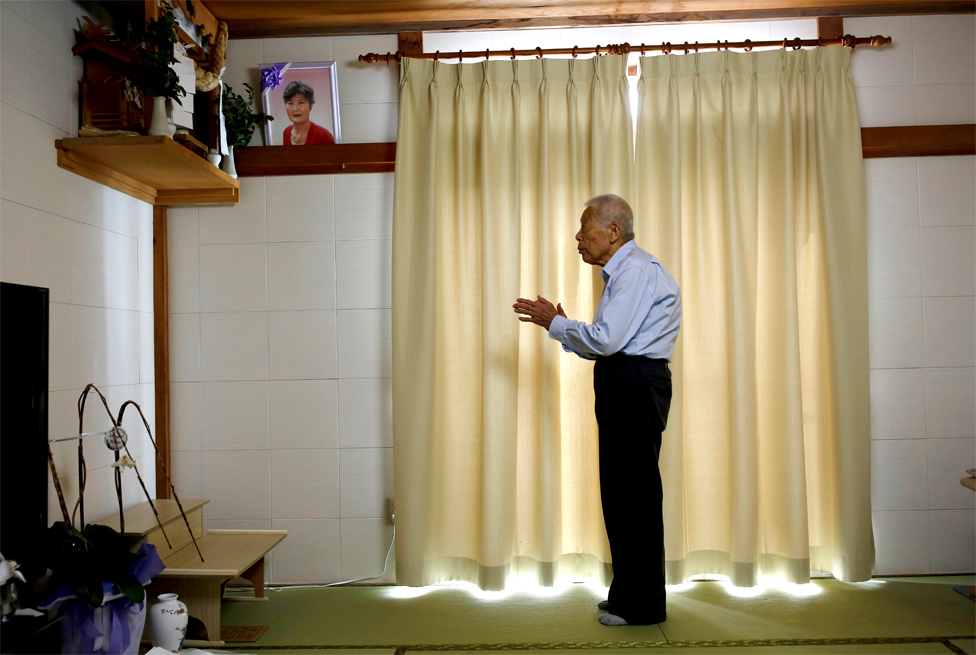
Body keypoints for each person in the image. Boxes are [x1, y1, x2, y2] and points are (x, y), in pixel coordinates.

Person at [512, 194, 681, 627]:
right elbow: (606, 344)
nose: (577, 236)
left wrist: (557, 323)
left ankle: (641, 605)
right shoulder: (624, 271)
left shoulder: (636, 269)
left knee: (634, 495)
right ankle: (628, 593)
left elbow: (607, 342)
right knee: (622, 492)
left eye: (585, 226)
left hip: (635, 383)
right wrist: (565, 328)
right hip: (627, 380)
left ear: (613, 231)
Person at [281, 80, 335, 145]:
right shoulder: (286, 132)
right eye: (290, 103)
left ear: (310, 106)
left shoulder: (323, 135)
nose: (295, 109)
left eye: (301, 103)